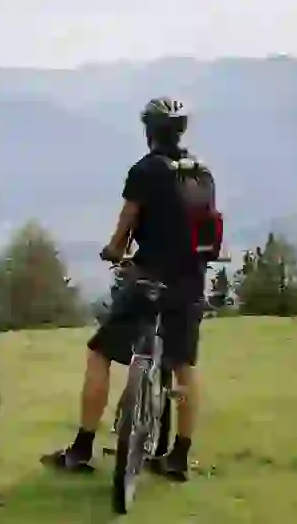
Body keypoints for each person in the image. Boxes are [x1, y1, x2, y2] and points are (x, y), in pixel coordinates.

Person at [42, 96, 213, 482]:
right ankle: (178, 457)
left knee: (99, 354)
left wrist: (114, 250)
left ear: (148, 131)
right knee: (184, 366)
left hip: (149, 278)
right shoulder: (201, 173)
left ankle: (82, 448)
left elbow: (126, 224)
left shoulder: (145, 170)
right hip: (188, 283)